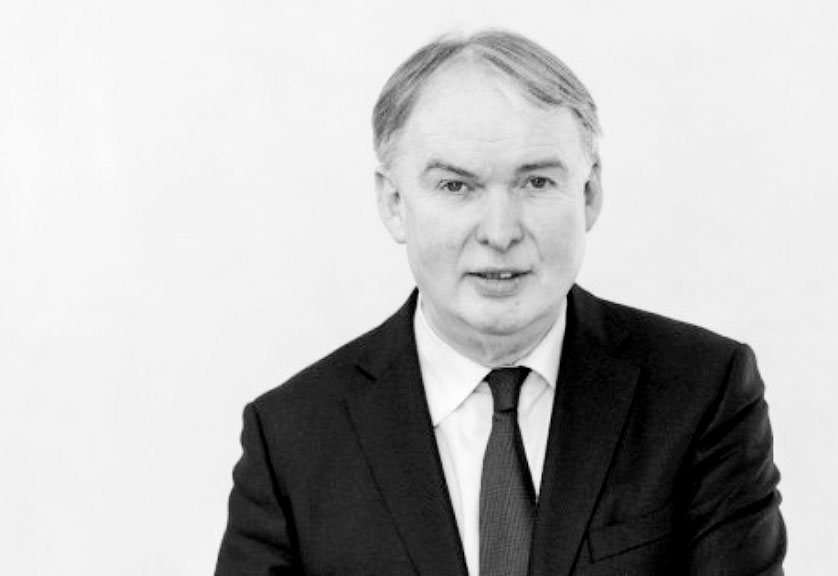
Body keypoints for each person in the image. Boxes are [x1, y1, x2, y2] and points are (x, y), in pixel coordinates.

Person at [215, 29, 786, 576]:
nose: (500, 231)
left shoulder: (703, 393)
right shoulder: (290, 437)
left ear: (589, 193)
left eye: (536, 182)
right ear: (393, 203)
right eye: (455, 186)